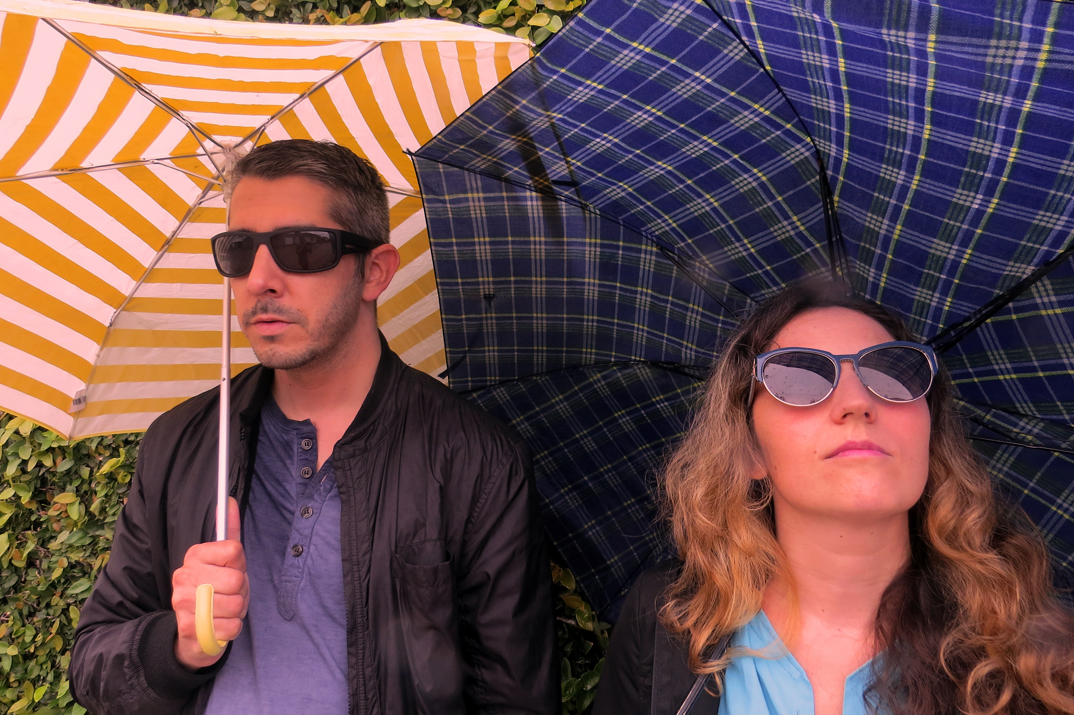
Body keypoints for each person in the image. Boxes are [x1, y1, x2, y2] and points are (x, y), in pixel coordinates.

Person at [69, 139, 559, 715]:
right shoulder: (182, 442)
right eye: (239, 249)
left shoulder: (475, 459)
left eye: (301, 248)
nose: (260, 279)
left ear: (374, 271)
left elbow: (513, 697)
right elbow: (91, 662)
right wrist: (178, 646)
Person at [593, 279, 1074, 715]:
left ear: (929, 436)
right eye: (799, 379)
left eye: (892, 374)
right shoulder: (667, 619)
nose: (858, 402)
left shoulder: (1035, 652)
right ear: (749, 450)